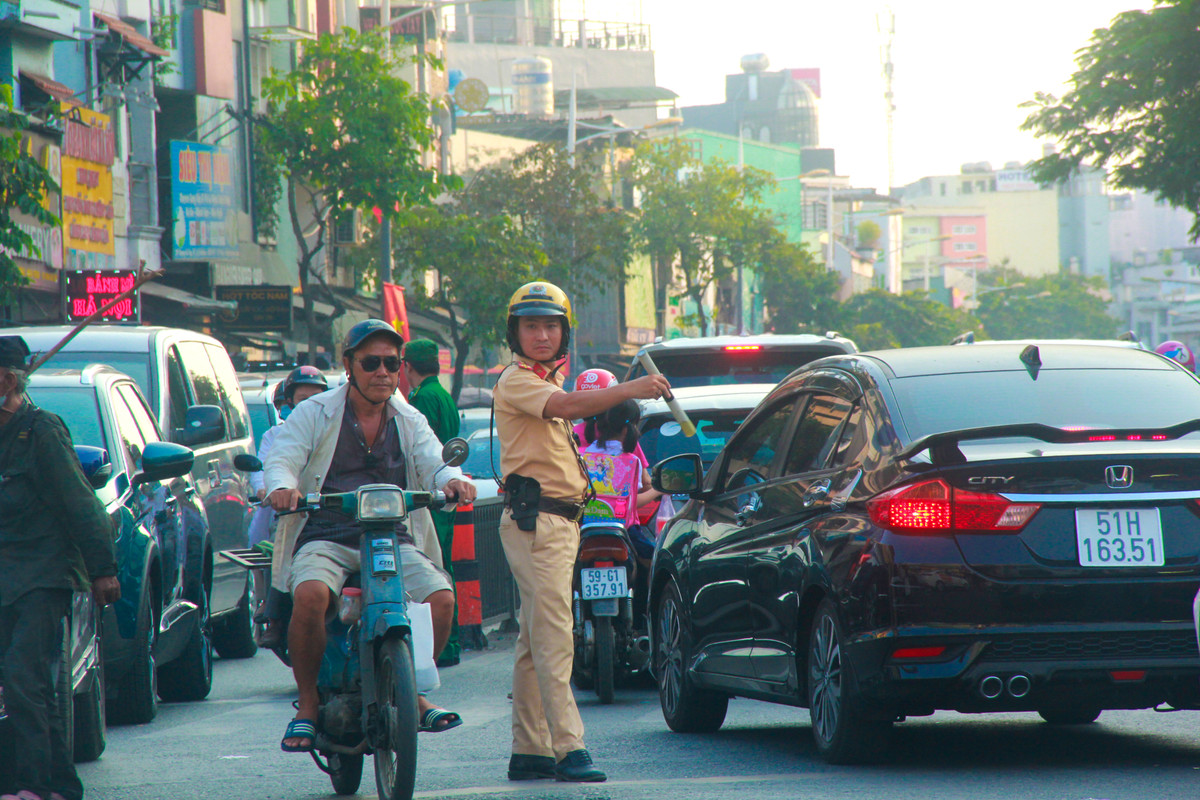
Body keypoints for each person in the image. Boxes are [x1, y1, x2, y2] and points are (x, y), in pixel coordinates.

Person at [265, 320, 477, 753]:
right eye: (371, 362)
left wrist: (454, 480)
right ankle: (307, 704)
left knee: (441, 598)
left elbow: (436, 460)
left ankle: (412, 691)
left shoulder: (409, 416)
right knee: (308, 596)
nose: (382, 372)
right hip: (326, 535)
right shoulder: (315, 411)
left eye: (391, 363)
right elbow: (283, 457)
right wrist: (282, 488)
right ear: (349, 366)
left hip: (392, 538)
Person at [494, 282, 670, 783]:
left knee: (534, 640)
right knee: (554, 638)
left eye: (551, 325)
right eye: (532, 326)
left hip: (560, 522)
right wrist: (633, 389)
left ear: (564, 331)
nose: (542, 335)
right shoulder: (518, 380)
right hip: (539, 521)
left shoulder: (542, 379)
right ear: (516, 332)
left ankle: (530, 749)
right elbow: (570, 408)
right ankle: (570, 748)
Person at [0, 335, 121, 800]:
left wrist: (103, 569)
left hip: (42, 575)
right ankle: (59, 786)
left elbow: (80, 504)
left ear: (8, 381)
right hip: (4, 577)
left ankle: (33, 785)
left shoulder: (42, 432)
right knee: (27, 687)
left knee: (23, 677)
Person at [248, 367, 330, 649]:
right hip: (289, 511)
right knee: (274, 548)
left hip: (331, 512)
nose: (309, 406)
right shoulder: (276, 435)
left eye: (316, 399)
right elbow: (269, 466)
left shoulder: (336, 430)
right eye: (302, 398)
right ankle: (275, 616)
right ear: (289, 403)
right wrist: (271, 489)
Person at [402, 338, 463, 667]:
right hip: (446, 492)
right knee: (444, 567)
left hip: (432, 494)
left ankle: (442, 646)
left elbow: (417, 448)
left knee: (432, 568)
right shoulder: (443, 395)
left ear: (407, 366)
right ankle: (449, 643)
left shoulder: (423, 398)